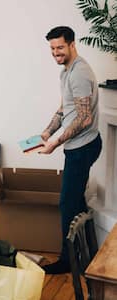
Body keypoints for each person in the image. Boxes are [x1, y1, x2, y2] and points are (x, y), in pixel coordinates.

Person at [39, 26, 102, 274]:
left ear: (72, 44)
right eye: (53, 49)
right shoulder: (67, 72)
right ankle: (87, 253)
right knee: (76, 202)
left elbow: (84, 119)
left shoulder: (79, 73)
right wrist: (47, 132)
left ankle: (68, 261)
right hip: (77, 146)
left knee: (67, 204)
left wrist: (55, 143)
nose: (56, 53)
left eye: (60, 48)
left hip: (82, 148)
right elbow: (65, 109)